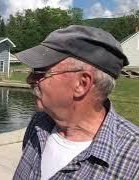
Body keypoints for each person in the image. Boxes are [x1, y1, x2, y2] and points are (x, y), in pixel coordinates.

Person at [13, 25, 139, 180]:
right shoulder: (39, 124)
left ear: (82, 84)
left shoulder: (134, 162)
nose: (29, 80)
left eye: (39, 72)